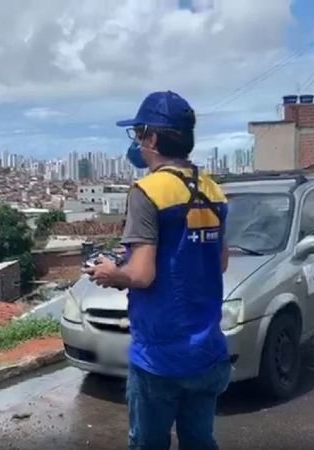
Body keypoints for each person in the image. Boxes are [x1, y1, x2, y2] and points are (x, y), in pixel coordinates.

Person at [85, 91, 231, 450]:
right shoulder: (213, 189)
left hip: (161, 357)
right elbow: (219, 260)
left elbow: (142, 276)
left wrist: (111, 272)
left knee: (148, 443)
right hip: (208, 351)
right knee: (199, 439)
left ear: (152, 138)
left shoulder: (147, 191)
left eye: (138, 133)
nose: (136, 142)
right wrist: (140, 254)